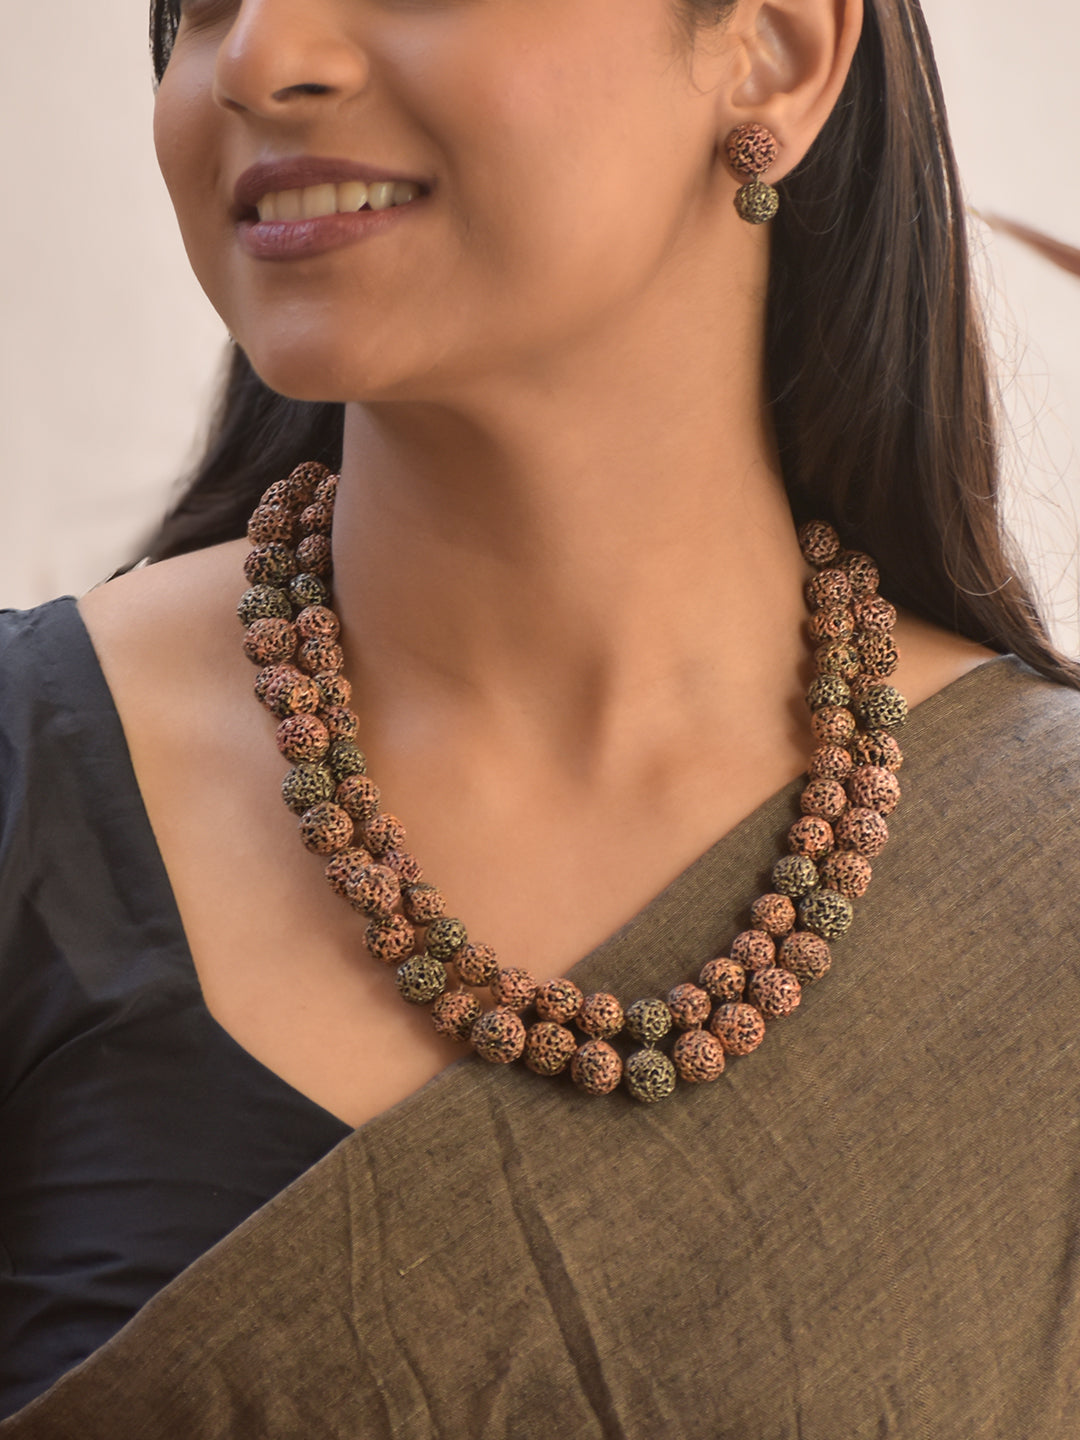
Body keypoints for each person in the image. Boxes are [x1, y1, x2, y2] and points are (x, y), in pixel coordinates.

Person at [1, 0, 1078, 1433]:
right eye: (201, 1)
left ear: (772, 47)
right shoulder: (35, 784)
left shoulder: (1043, 885)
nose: (262, 58)